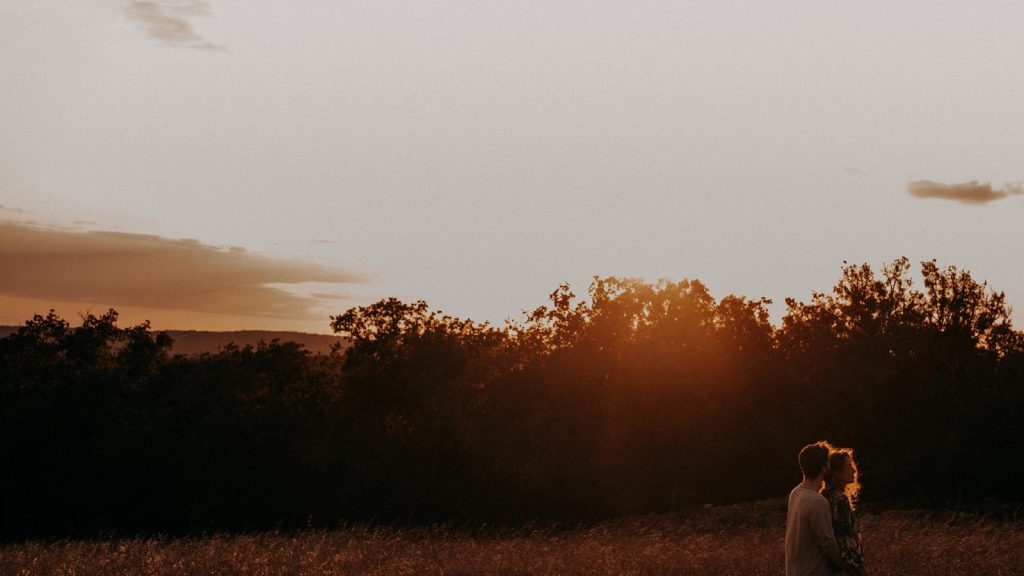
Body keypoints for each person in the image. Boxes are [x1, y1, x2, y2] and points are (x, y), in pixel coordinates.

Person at [786, 441, 846, 576]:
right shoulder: (817, 502)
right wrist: (852, 568)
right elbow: (828, 544)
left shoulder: (796, 492)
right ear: (824, 468)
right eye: (828, 462)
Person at [822, 447, 867, 576]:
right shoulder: (839, 499)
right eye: (848, 467)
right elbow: (845, 541)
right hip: (846, 569)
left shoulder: (827, 495)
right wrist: (860, 570)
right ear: (836, 472)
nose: (853, 470)